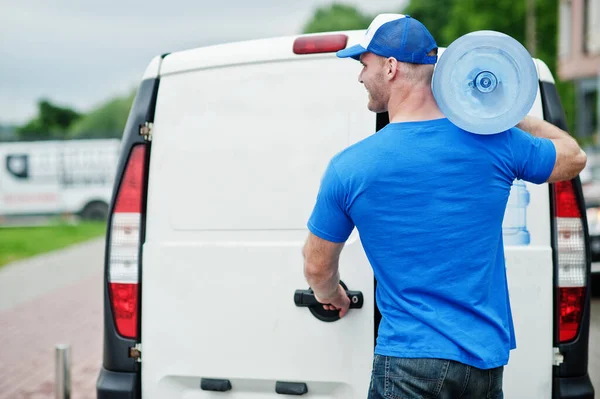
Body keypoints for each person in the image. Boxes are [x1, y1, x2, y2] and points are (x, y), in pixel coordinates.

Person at [301, 13, 587, 399]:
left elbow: (317, 265)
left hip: (408, 363)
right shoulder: (496, 143)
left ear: (390, 67)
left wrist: (330, 295)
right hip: (483, 363)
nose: (359, 76)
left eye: (363, 64)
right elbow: (573, 156)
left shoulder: (351, 166)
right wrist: (510, 118)